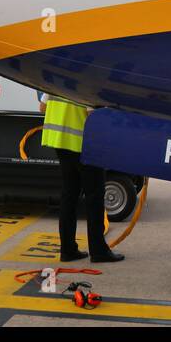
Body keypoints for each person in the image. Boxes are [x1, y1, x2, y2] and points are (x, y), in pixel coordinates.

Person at [40, 93, 123, 263]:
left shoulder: (55, 74)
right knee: (95, 197)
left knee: (69, 196)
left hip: (60, 142)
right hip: (85, 144)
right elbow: (93, 115)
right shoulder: (85, 79)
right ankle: (99, 251)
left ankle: (68, 250)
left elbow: (42, 108)